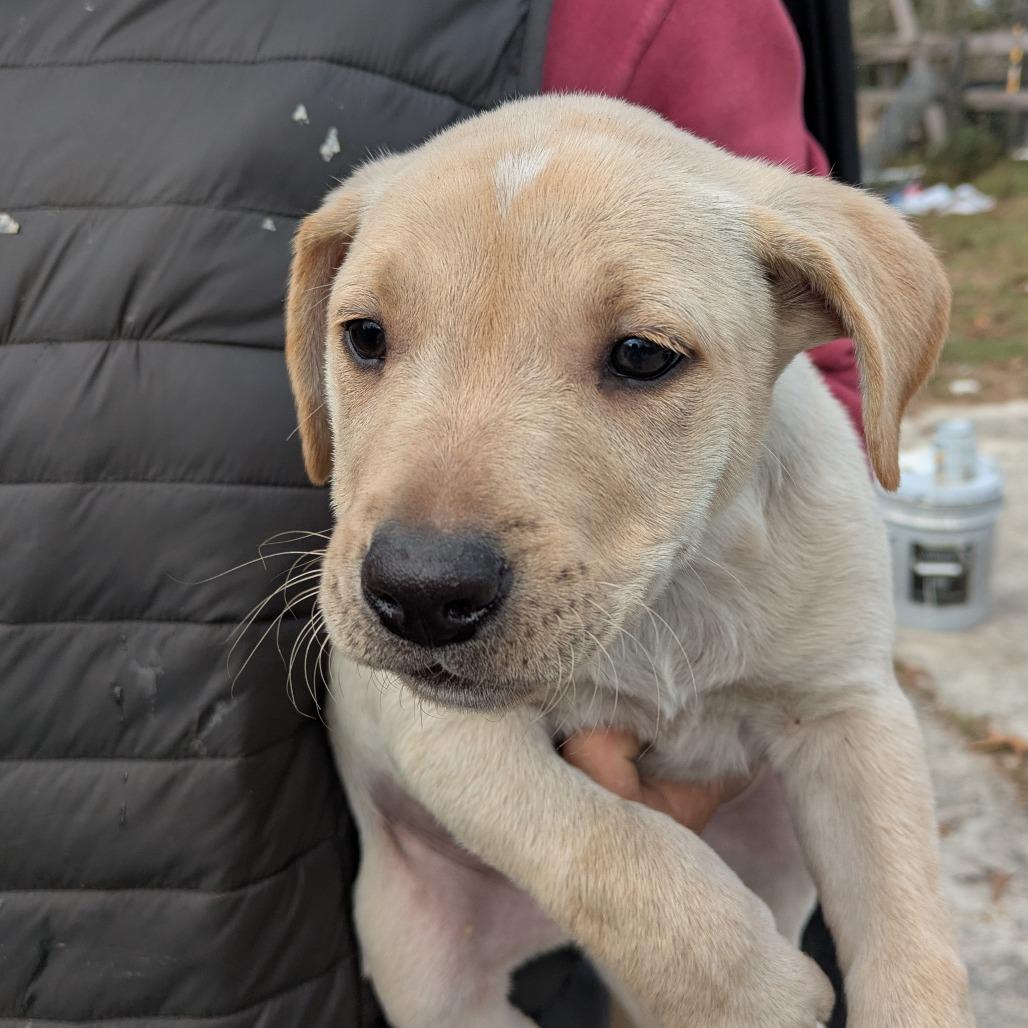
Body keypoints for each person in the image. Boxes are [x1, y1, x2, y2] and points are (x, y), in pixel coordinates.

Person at [0, 1, 856, 1024]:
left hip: (413, 784)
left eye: (632, 357)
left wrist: (714, 676)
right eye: (364, 338)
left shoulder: (637, 10)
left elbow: (809, 361)